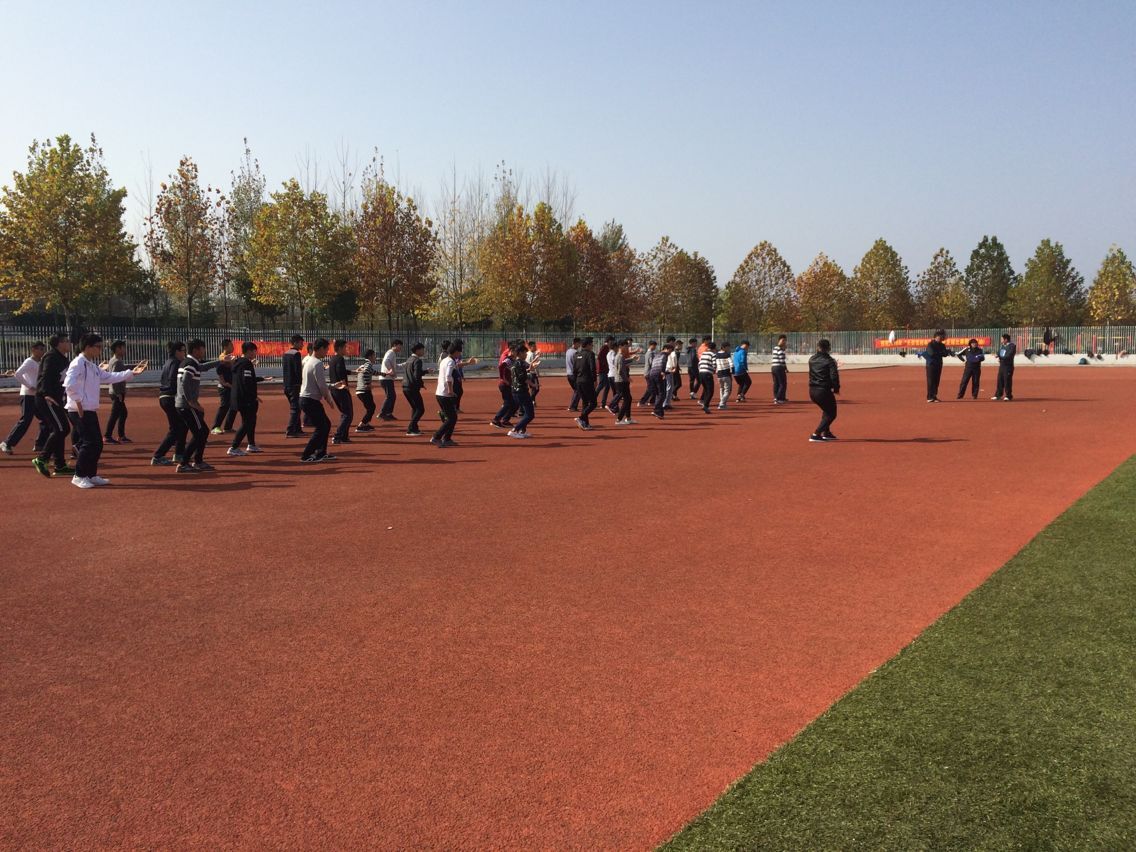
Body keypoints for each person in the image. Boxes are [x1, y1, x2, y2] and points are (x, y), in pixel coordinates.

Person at [62, 332, 146, 488]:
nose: (100, 350)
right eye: (98, 347)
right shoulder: (78, 363)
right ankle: (79, 475)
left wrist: (130, 373)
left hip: (89, 409)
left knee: (97, 444)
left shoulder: (92, 365)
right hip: (78, 410)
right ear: (88, 347)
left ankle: (91, 474)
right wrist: (78, 401)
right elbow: (69, 384)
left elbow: (108, 377)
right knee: (88, 443)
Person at [175, 339, 216, 474]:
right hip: (187, 406)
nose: (204, 351)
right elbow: (185, 381)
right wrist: (191, 402)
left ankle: (197, 461)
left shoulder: (190, 362)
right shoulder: (190, 364)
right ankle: (184, 463)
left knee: (202, 432)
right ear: (196, 350)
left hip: (185, 404)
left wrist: (221, 361)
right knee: (200, 433)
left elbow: (203, 367)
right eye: (203, 349)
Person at [1, 341, 47, 456]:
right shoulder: (29, 361)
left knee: (46, 419)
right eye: (40, 349)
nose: (42, 351)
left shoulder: (40, 362)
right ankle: (7, 443)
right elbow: (17, 374)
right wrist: (29, 386)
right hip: (28, 396)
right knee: (26, 420)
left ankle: (40, 443)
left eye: (43, 349)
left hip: (37, 396)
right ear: (33, 350)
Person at [299, 338, 337, 463]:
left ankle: (321, 452)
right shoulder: (317, 363)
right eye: (326, 349)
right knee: (321, 427)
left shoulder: (308, 360)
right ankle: (306, 455)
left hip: (307, 399)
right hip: (310, 400)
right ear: (320, 349)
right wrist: (329, 399)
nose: (327, 352)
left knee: (326, 424)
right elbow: (321, 385)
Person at [151, 341, 187, 467]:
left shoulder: (168, 362)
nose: (184, 353)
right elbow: (173, 380)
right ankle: (158, 456)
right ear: (177, 351)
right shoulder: (176, 363)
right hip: (170, 397)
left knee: (182, 426)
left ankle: (179, 453)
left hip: (165, 397)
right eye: (183, 351)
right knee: (176, 429)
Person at [228, 342, 266, 456]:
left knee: (251, 421)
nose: (255, 353)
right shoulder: (246, 363)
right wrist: (253, 396)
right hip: (245, 399)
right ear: (249, 351)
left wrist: (261, 379)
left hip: (239, 397)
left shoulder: (238, 362)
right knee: (248, 422)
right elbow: (246, 382)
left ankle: (251, 444)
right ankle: (234, 447)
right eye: (254, 351)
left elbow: (246, 379)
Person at [807, 339, 840, 442]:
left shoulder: (811, 359)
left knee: (826, 410)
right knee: (832, 413)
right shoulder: (830, 361)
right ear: (829, 348)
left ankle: (826, 432)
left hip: (812, 390)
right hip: (823, 390)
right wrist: (836, 388)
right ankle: (816, 434)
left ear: (818, 347)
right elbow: (834, 376)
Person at [102, 339, 133, 444]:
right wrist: (118, 393)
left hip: (115, 391)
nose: (125, 350)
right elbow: (114, 378)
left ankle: (121, 435)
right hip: (117, 392)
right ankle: (107, 436)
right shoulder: (117, 362)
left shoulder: (114, 360)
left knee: (123, 413)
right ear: (117, 349)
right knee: (115, 414)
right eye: (123, 347)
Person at [432, 341, 461, 447]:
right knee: (452, 418)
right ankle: (436, 437)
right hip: (445, 394)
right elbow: (448, 376)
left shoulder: (445, 360)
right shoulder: (450, 362)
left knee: (452, 417)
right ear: (456, 352)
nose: (460, 354)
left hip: (440, 393)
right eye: (459, 352)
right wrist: (450, 390)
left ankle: (447, 439)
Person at [328, 339, 354, 445]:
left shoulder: (333, 359)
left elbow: (341, 370)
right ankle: (338, 436)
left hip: (334, 389)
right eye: (344, 347)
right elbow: (340, 371)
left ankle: (344, 436)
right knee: (348, 414)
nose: (346, 349)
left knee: (346, 413)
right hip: (340, 389)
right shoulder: (340, 359)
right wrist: (344, 384)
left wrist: (353, 372)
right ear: (339, 348)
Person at [508, 342, 536, 439]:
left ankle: (521, 431)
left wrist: (528, 369)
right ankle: (514, 430)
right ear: (519, 353)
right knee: (530, 414)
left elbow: (520, 375)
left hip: (516, 391)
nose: (526, 355)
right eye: (524, 353)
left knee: (526, 413)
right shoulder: (519, 363)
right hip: (521, 392)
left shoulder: (514, 363)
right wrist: (533, 384)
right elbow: (522, 378)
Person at [210, 339, 237, 435]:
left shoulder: (231, 357)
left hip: (231, 386)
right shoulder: (222, 358)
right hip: (224, 387)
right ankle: (215, 427)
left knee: (234, 406)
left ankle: (228, 427)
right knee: (224, 406)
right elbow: (220, 371)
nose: (233, 347)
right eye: (231, 345)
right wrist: (224, 383)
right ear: (225, 347)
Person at [282, 334, 306, 437]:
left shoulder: (286, 354)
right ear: (295, 343)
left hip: (287, 384)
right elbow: (298, 371)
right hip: (294, 385)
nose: (302, 345)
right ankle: (291, 430)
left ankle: (297, 429)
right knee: (295, 408)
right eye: (301, 343)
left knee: (296, 407)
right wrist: (301, 383)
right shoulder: (296, 354)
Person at [491, 343, 518, 429]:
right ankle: (496, 420)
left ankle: (505, 420)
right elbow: (501, 367)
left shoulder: (513, 360)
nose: (517, 353)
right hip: (504, 385)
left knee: (514, 404)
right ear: (511, 351)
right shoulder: (508, 360)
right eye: (515, 351)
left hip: (509, 385)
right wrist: (504, 379)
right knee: (508, 403)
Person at [921, 329, 953, 403]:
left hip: (939, 364)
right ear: (935, 337)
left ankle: (934, 396)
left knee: (936, 381)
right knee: (931, 381)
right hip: (931, 365)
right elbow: (931, 353)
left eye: (941, 337)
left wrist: (944, 352)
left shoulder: (942, 345)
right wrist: (942, 352)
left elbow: (945, 354)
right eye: (939, 337)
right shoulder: (930, 344)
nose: (940, 339)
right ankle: (929, 397)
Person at [402, 342, 427, 436]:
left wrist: (426, 371)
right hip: (412, 387)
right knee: (420, 409)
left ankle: (414, 428)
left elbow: (414, 373)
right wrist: (421, 384)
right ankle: (411, 428)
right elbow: (417, 375)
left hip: (405, 386)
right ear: (417, 350)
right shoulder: (417, 360)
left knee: (415, 408)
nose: (423, 351)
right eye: (422, 349)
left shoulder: (409, 359)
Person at [574, 337, 598, 430]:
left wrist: (576, 380)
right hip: (587, 381)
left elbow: (574, 369)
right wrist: (595, 380)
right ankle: (581, 418)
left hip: (578, 381)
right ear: (588, 345)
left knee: (585, 402)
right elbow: (593, 368)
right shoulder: (590, 354)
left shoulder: (577, 354)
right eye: (591, 344)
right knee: (593, 403)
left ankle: (585, 423)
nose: (592, 346)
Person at [613, 339, 639, 425]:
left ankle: (628, 418)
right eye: (625, 346)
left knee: (628, 399)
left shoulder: (620, 356)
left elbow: (624, 363)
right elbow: (620, 370)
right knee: (627, 399)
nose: (627, 348)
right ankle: (619, 419)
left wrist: (632, 359)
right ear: (620, 346)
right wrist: (626, 378)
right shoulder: (619, 356)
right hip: (621, 381)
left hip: (621, 380)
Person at [354, 348, 379, 431]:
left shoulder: (364, 364)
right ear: (370, 357)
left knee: (371, 407)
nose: (375, 357)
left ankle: (366, 424)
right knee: (371, 408)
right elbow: (365, 372)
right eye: (374, 355)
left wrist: (384, 374)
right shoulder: (368, 364)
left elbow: (373, 372)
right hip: (364, 390)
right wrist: (367, 384)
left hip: (360, 391)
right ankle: (361, 425)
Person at [378, 340, 402, 420]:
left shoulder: (392, 353)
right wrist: (390, 371)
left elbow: (394, 365)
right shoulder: (391, 352)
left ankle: (388, 413)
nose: (401, 348)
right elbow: (386, 361)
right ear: (394, 345)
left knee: (392, 396)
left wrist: (404, 365)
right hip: (386, 378)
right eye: (399, 346)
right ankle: (383, 413)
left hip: (387, 378)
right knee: (390, 396)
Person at [648, 342, 668, 419]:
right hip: (658, 374)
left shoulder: (656, 355)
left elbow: (653, 365)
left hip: (652, 374)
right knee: (662, 394)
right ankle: (656, 410)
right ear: (665, 349)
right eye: (670, 350)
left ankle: (660, 413)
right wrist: (663, 372)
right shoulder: (664, 355)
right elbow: (663, 363)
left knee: (658, 394)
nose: (670, 352)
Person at [993, 333, 1017, 401]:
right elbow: (999, 352)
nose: (1001, 340)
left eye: (1002, 339)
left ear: (1006, 339)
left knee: (1007, 380)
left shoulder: (1012, 346)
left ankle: (1008, 396)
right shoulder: (1003, 345)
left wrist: (1001, 357)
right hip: (1002, 365)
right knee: (1000, 380)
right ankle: (998, 395)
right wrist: (997, 355)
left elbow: (1009, 355)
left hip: (1008, 366)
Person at [697, 342, 717, 413]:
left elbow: (699, 363)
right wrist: (714, 370)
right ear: (714, 348)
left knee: (706, 390)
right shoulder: (713, 354)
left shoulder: (703, 354)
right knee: (710, 391)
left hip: (701, 373)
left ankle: (704, 403)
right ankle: (705, 405)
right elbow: (714, 364)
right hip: (707, 373)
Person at [638, 341, 658, 407]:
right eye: (654, 345)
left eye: (655, 345)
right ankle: (642, 401)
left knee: (654, 387)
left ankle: (652, 401)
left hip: (650, 372)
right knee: (651, 388)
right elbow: (651, 363)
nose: (655, 347)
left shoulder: (650, 353)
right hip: (649, 373)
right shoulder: (650, 353)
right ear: (650, 345)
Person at [596, 336, 614, 409]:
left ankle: (603, 403)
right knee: (601, 385)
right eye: (611, 341)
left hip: (605, 370)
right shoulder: (605, 347)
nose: (612, 343)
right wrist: (605, 364)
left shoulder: (606, 348)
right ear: (608, 341)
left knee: (607, 386)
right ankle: (592, 400)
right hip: (602, 370)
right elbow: (599, 357)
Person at [715, 341, 733, 409]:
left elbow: (715, 364)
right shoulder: (727, 354)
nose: (729, 348)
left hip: (719, 374)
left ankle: (723, 404)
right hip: (726, 374)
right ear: (724, 347)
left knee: (721, 389)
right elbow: (731, 364)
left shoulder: (716, 354)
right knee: (728, 390)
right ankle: (722, 403)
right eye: (728, 347)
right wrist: (733, 371)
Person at [771, 334, 788, 404]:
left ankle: (778, 397)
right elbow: (782, 360)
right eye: (783, 340)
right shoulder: (779, 349)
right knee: (782, 383)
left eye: (785, 341)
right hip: (779, 367)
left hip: (774, 367)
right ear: (780, 340)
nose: (784, 342)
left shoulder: (775, 348)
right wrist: (785, 368)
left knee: (776, 383)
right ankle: (778, 398)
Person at [565, 337, 581, 411]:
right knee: (578, 390)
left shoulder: (568, 351)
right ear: (575, 343)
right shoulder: (575, 352)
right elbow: (577, 364)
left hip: (568, 374)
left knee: (577, 390)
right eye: (579, 343)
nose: (580, 345)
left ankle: (573, 406)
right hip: (574, 374)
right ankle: (572, 407)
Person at [525, 340, 541, 404]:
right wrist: (538, 373)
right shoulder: (532, 354)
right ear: (530, 347)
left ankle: (533, 401)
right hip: (532, 374)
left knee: (532, 388)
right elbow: (534, 365)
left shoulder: (527, 353)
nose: (535, 347)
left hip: (528, 373)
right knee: (536, 388)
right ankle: (530, 399)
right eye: (534, 346)